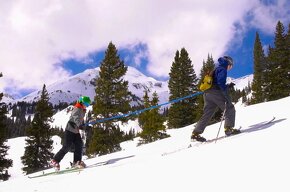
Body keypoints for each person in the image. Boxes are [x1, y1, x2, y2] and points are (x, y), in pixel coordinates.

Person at [191, 56, 241, 142]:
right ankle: (228, 129)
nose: (230, 68)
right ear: (228, 63)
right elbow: (220, 82)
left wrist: (227, 86)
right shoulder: (222, 69)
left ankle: (195, 134)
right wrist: (226, 90)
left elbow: (216, 82)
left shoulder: (216, 69)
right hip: (215, 93)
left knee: (208, 113)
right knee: (229, 108)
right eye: (231, 66)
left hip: (207, 94)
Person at [50, 96, 91, 170]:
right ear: (82, 102)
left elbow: (80, 120)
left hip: (76, 131)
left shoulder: (82, 110)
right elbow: (75, 118)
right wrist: (79, 124)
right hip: (70, 130)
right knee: (66, 146)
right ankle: (55, 161)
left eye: (88, 105)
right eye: (86, 104)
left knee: (79, 145)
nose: (86, 106)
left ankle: (76, 162)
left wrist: (83, 126)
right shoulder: (77, 108)